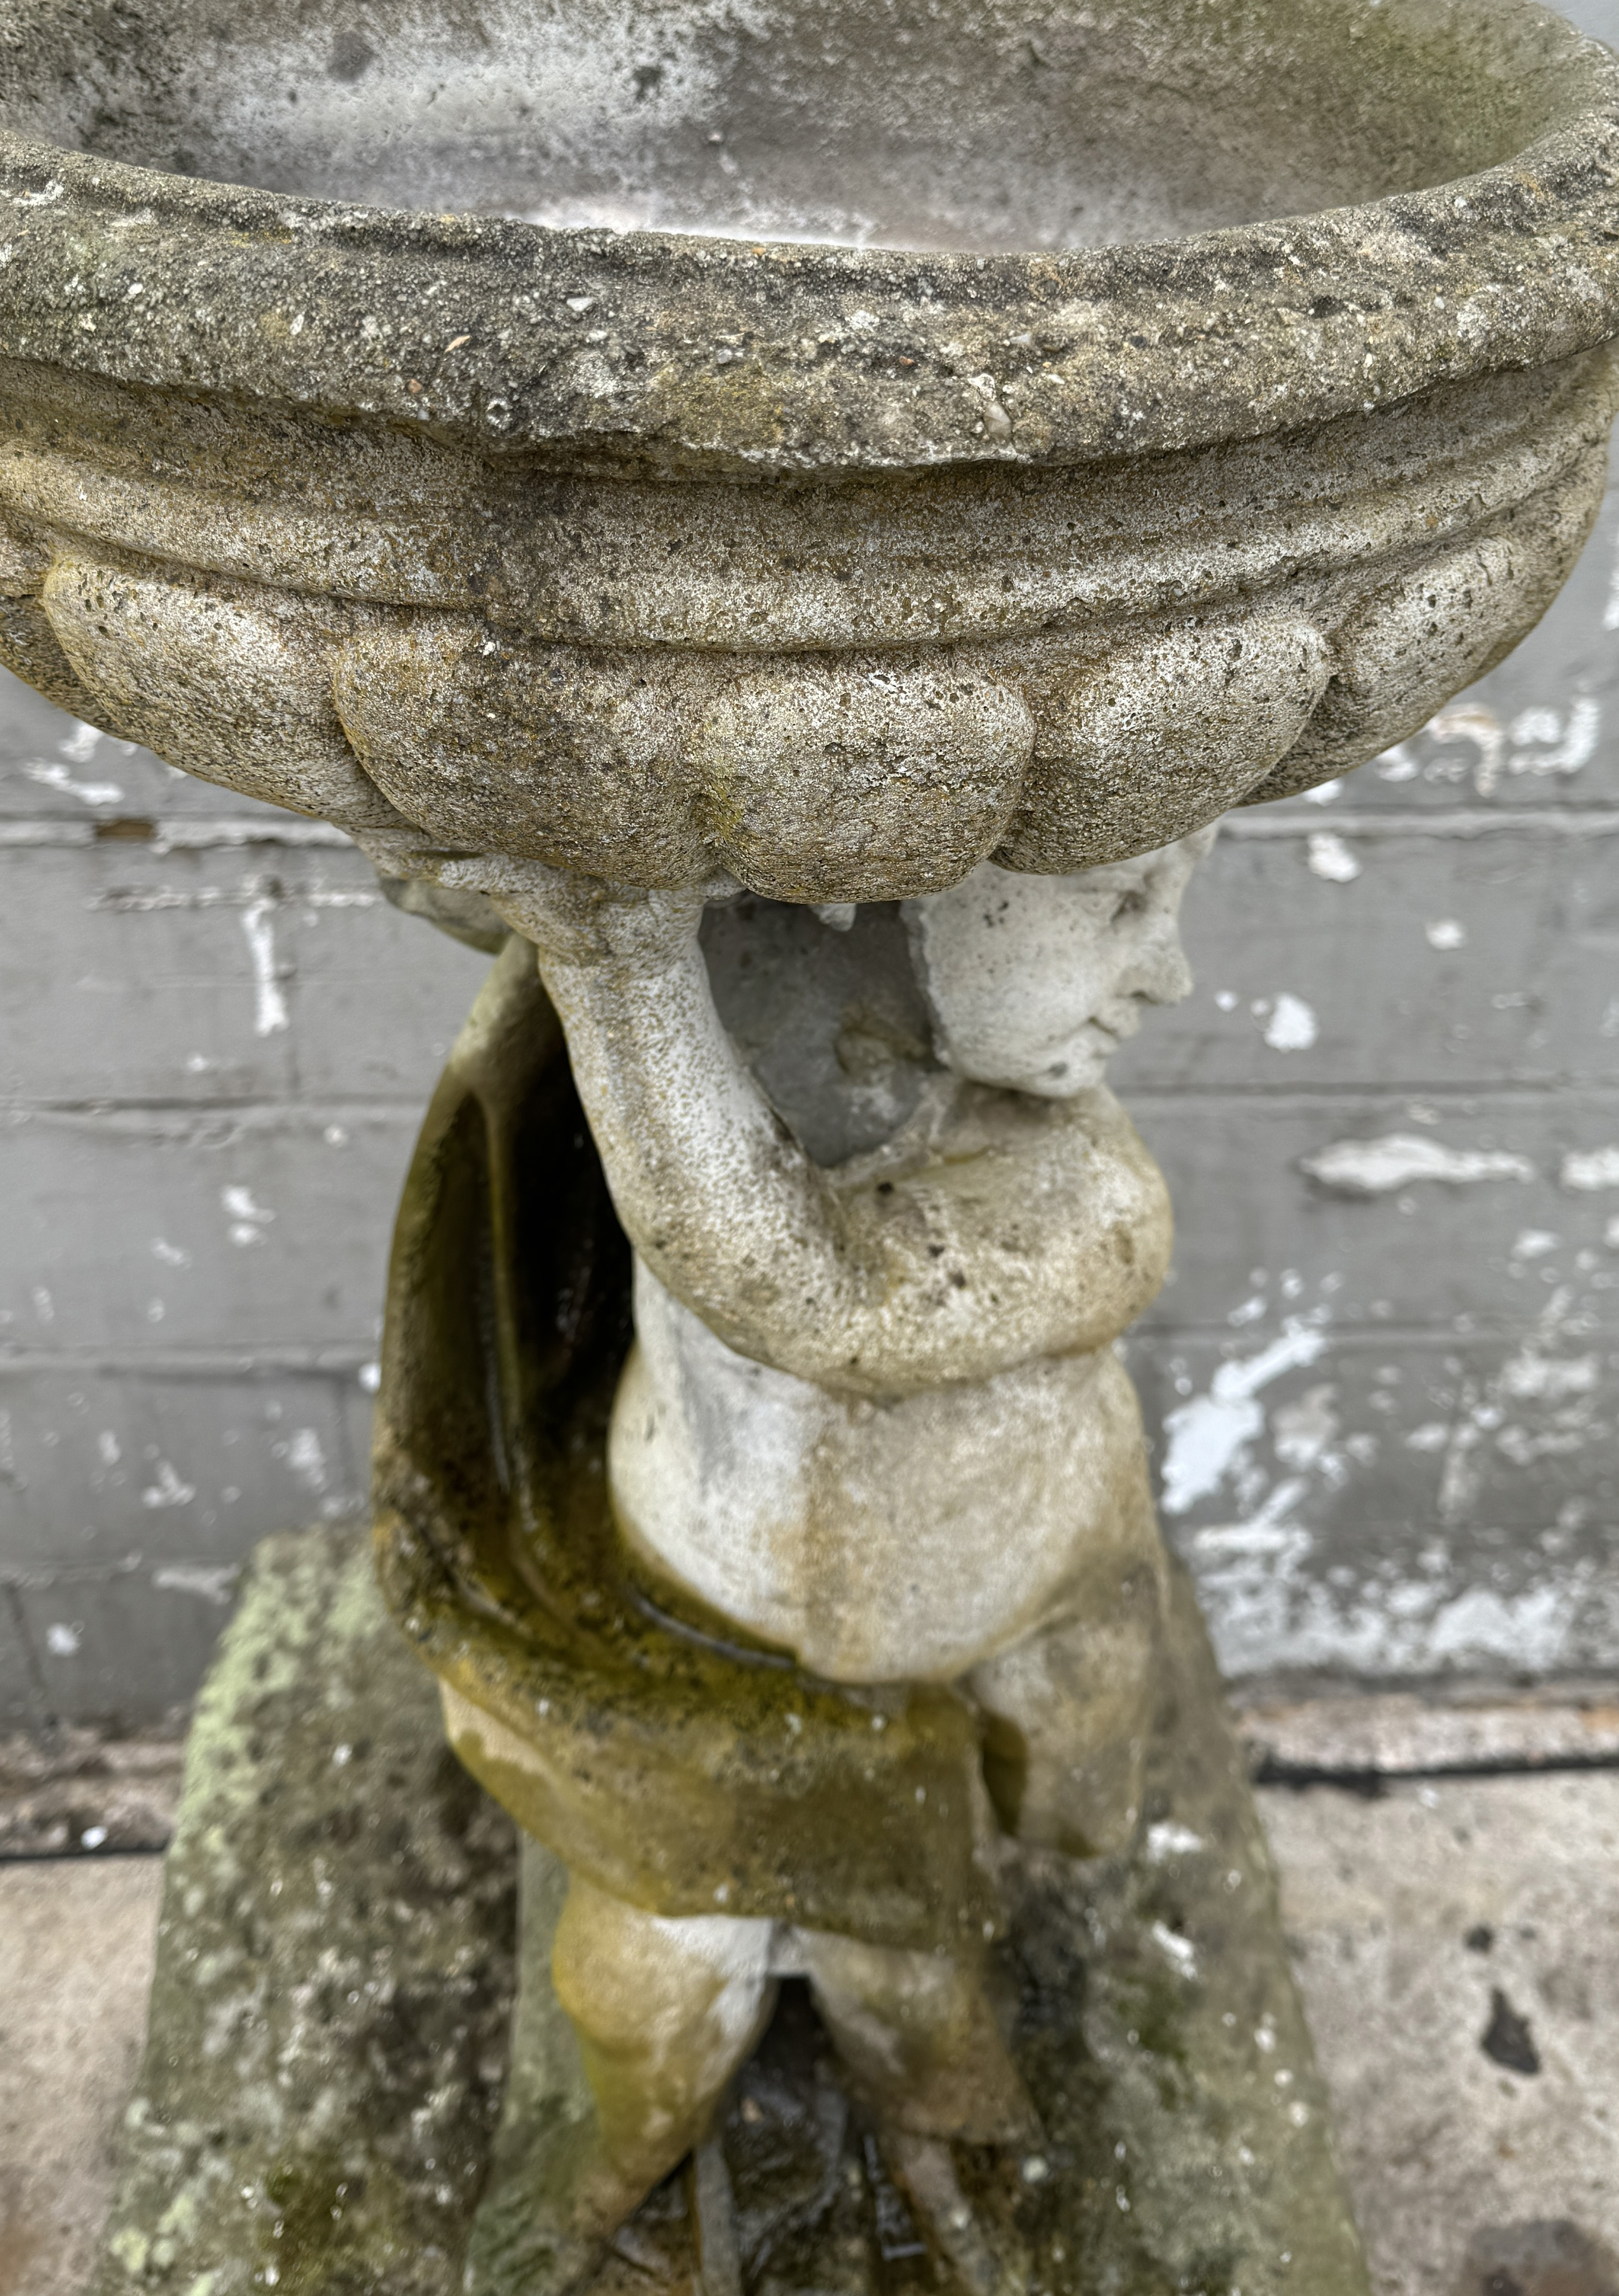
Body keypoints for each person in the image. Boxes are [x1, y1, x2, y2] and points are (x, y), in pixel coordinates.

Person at [426, 831, 1210, 2263]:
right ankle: (638, 2151)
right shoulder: (752, 993)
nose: (1168, 970)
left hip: (985, 1601)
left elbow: (809, 1291)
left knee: (913, 1967)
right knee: (641, 1990)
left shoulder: (1085, 1195)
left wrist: (622, 965)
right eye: (1118, 906)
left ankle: (932, 2139)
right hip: (697, 1613)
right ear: (917, 901)